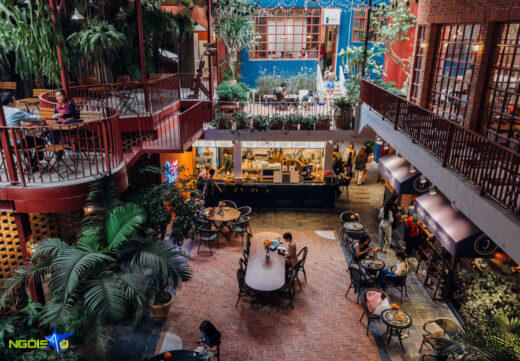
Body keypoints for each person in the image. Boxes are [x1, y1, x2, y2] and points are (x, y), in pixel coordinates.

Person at [2, 93, 45, 170]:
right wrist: (42, 119)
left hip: (4, 143)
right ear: (10, 103)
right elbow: (31, 118)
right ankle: (34, 163)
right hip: (17, 143)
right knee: (42, 141)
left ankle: (32, 163)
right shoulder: (14, 111)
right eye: (15, 101)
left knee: (25, 141)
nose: (16, 103)